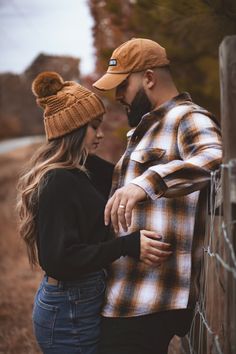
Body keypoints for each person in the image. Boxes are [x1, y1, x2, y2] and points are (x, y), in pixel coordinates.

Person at [16, 71, 173, 354]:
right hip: (67, 314)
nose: (100, 133)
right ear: (72, 129)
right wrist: (127, 245)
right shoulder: (58, 181)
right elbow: (59, 260)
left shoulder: (83, 169)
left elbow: (127, 175)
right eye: (93, 126)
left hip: (79, 303)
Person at [93, 38, 223, 354]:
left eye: (123, 86)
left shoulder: (187, 118)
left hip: (151, 299)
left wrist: (147, 182)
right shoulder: (148, 127)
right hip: (128, 293)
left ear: (149, 78)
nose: (118, 96)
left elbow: (217, 158)